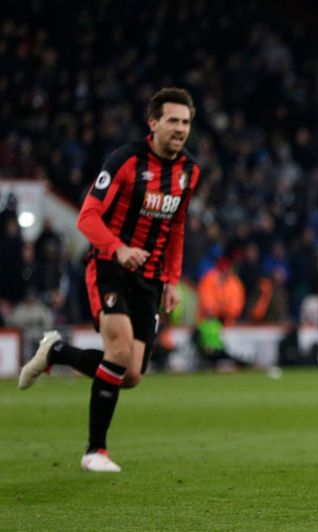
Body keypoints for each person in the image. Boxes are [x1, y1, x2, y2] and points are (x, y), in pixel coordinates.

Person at [17, 88, 200, 473]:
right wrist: (117, 248)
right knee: (117, 355)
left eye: (185, 121)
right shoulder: (126, 161)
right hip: (109, 266)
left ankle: (56, 353)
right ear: (154, 123)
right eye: (173, 120)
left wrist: (171, 279)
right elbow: (87, 216)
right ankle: (94, 451)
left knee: (131, 375)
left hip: (150, 280)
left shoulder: (189, 172)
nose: (180, 128)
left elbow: (177, 227)